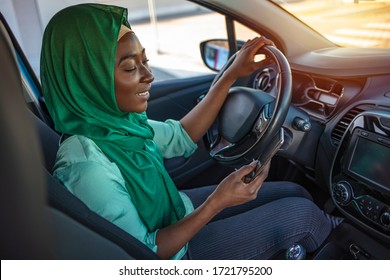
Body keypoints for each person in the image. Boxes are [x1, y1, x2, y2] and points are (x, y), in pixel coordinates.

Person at [40, 3, 332, 260]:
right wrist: (216, 203)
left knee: (296, 191)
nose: (149, 76)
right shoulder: (87, 166)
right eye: (130, 68)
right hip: (176, 257)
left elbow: (180, 136)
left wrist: (230, 72)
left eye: (146, 61)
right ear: (89, 78)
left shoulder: (115, 124)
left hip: (178, 211)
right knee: (303, 216)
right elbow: (141, 255)